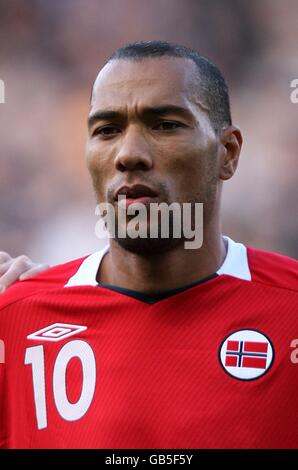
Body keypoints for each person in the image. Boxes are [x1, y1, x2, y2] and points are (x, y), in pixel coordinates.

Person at [0, 41, 297, 449]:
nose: (129, 154)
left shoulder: (290, 312)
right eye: (106, 130)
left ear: (228, 152)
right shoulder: (15, 324)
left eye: (165, 125)